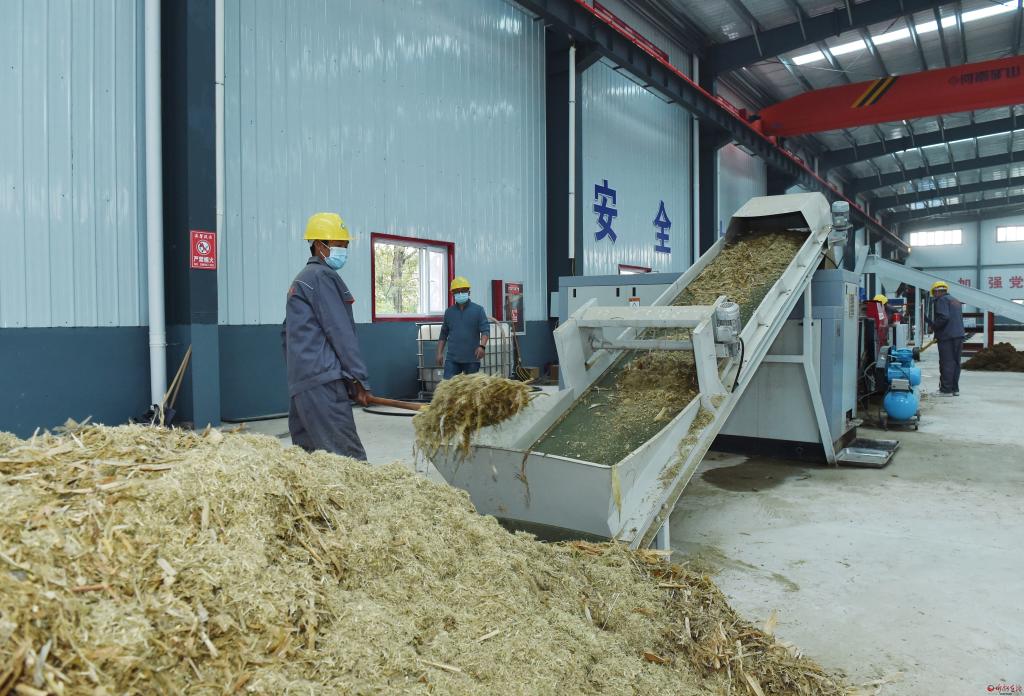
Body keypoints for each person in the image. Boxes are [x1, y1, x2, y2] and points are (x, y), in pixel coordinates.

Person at [282, 212, 370, 459]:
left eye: (346, 245)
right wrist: (359, 380)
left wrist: (299, 376)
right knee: (347, 458)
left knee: (310, 458)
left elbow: (285, 335)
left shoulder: (300, 281)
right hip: (323, 382)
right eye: (339, 244)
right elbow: (340, 332)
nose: (344, 250)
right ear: (320, 246)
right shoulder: (322, 277)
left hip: (301, 384)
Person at [436, 276, 489, 379]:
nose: (460, 294)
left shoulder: (478, 310)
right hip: (452, 360)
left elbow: (485, 330)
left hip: (472, 359)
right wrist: (439, 353)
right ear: (453, 294)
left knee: (471, 387)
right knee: (449, 386)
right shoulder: (449, 312)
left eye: (463, 291)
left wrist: (482, 346)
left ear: (469, 292)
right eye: (457, 291)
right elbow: (443, 335)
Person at [928, 280, 965, 397]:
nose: (934, 295)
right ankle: (954, 389)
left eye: (934, 293)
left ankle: (946, 390)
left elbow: (944, 317)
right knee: (955, 363)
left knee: (947, 363)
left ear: (936, 291)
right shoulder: (955, 300)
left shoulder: (942, 300)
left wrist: (934, 326)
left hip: (947, 336)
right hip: (958, 335)